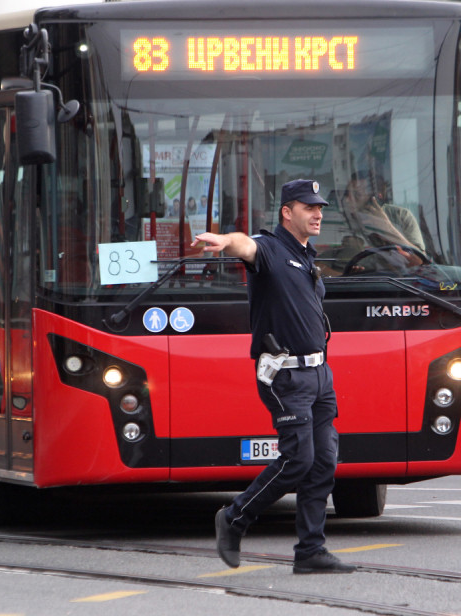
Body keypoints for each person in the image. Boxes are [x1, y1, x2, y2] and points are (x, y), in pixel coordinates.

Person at [191, 178, 356, 575]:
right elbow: (243, 245)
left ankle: (311, 551)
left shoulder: (306, 255)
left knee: (323, 463)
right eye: (308, 208)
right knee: (298, 459)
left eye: (320, 208)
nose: (318, 214)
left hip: (319, 375)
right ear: (287, 212)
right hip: (285, 377)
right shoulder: (269, 249)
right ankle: (234, 518)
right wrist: (224, 241)